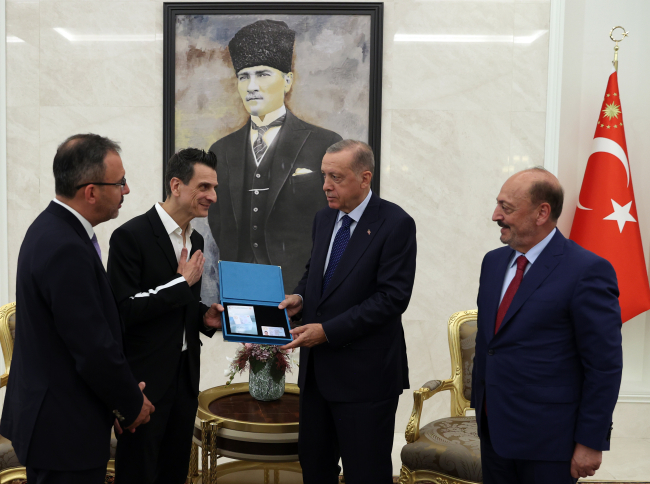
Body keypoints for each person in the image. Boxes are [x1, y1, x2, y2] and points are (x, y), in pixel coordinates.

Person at [0, 134, 155, 484]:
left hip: (58, 421)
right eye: (120, 182)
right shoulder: (65, 246)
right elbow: (92, 346)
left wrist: (118, 401)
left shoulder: (52, 228)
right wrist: (130, 404)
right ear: (91, 192)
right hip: (63, 431)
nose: (127, 190)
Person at [471, 167, 623, 484]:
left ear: (542, 213)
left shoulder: (587, 270)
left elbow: (603, 366)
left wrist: (591, 440)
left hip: (550, 442)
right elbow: (492, 345)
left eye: (506, 207)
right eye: (498, 204)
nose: (496, 215)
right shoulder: (493, 262)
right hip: (494, 431)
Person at [279, 140, 416, 484]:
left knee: (365, 474)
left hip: (366, 380)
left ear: (365, 178)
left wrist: (327, 331)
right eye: (324, 175)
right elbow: (317, 273)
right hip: (316, 378)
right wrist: (300, 297)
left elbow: (391, 299)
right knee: (315, 469)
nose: (326, 185)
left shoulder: (396, 223)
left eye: (336, 177)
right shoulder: (324, 218)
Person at [107, 148, 223, 484]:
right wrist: (180, 283)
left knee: (175, 473)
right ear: (176, 185)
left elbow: (178, 307)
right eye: (204, 187)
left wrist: (203, 317)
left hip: (185, 380)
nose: (213, 197)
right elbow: (124, 311)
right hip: (145, 383)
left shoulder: (196, 238)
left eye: (214, 188)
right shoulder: (130, 237)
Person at [208, 19, 343, 293]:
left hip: (302, 289)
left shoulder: (325, 144)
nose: (251, 86)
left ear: (288, 81)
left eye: (263, 74)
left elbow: (337, 220)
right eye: (243, 77)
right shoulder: (221, 151)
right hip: (242, 285)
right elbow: (219, 222)